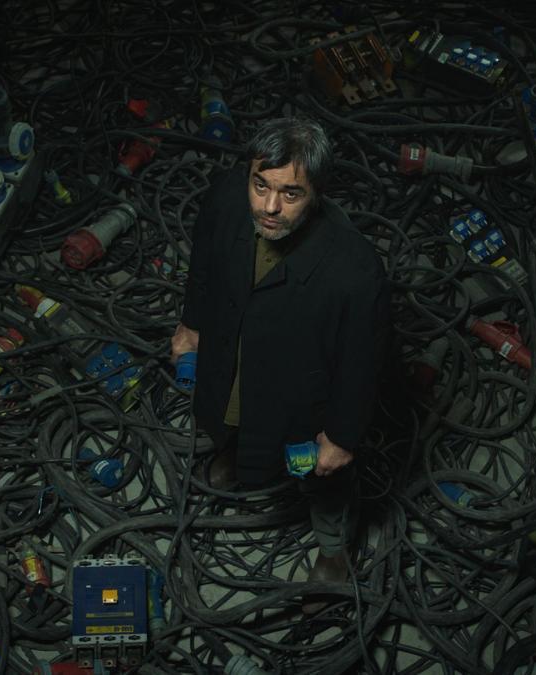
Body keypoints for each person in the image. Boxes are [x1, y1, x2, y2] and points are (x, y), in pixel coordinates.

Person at [170, 117, 389, 608]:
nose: (269, 207)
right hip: (234, 356)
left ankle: (333, 549)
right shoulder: (227, 199)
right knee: (226, 415)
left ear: (317, 193)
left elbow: (362, 364)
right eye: (261, 186)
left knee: (323, 481)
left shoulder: (355, 271)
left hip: (302, 397)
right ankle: (235, 455)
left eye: (290, 194)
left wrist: (342, 436)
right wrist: (192, 323)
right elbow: (203, 264)